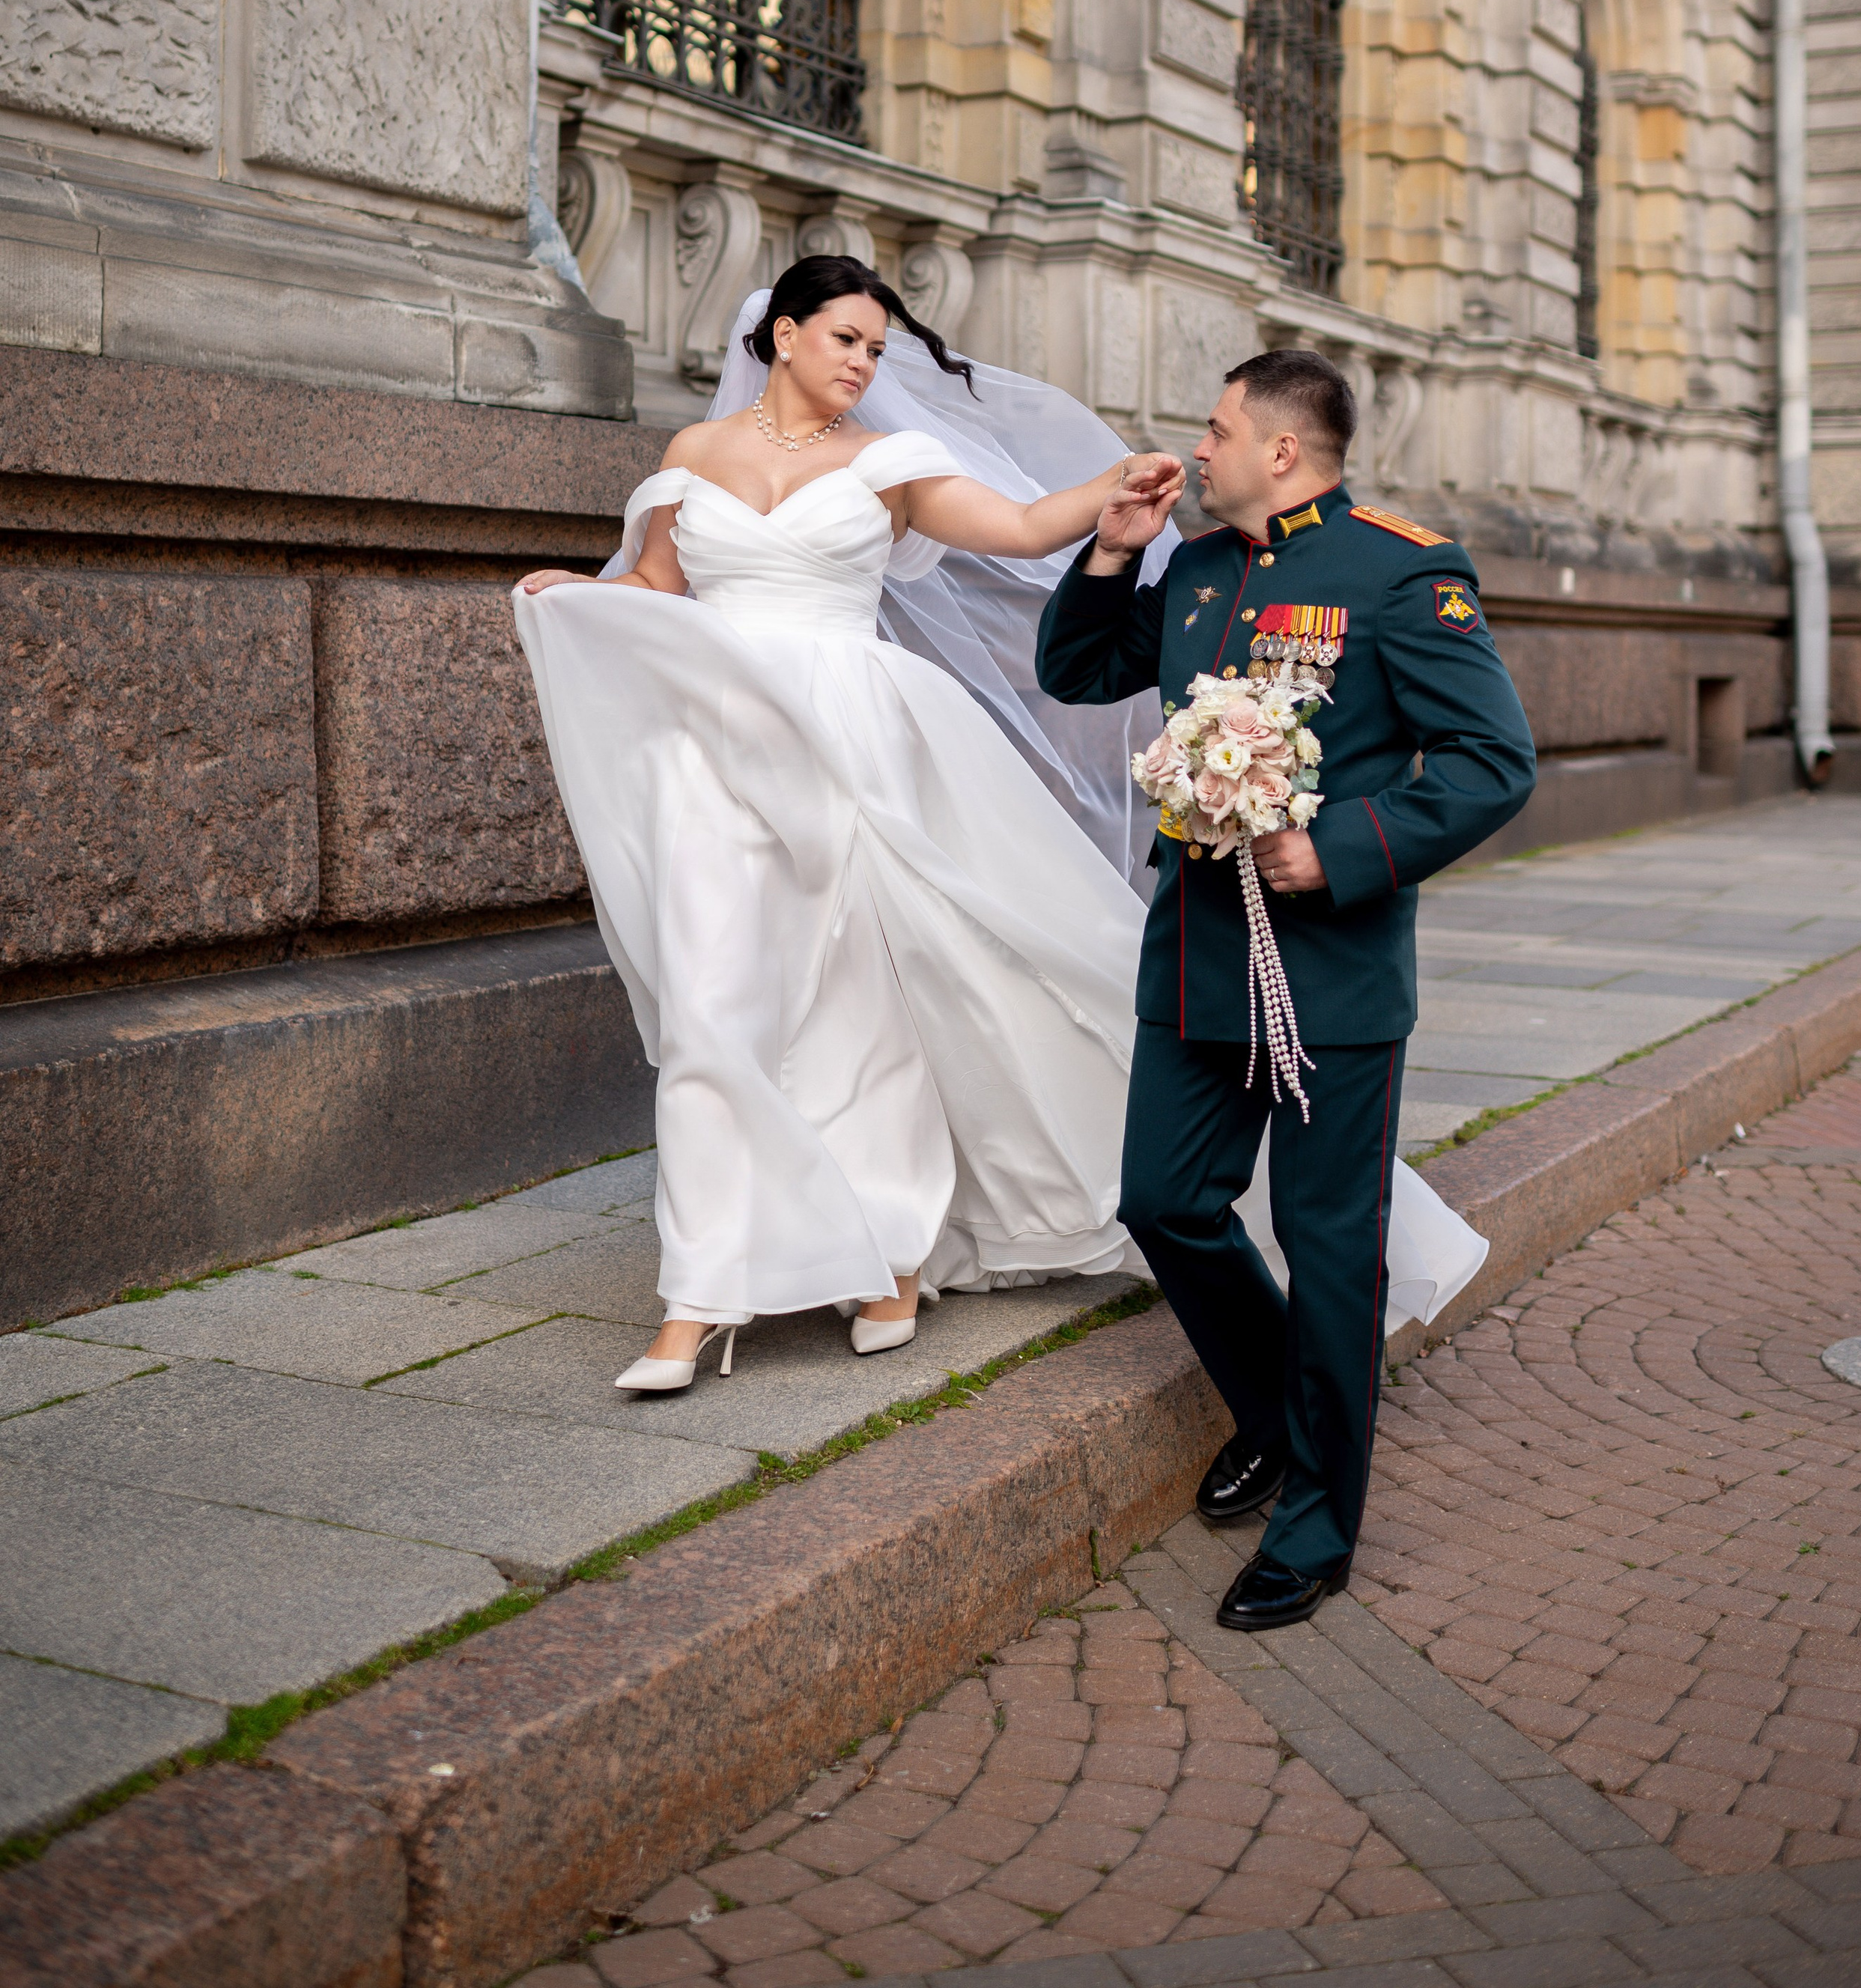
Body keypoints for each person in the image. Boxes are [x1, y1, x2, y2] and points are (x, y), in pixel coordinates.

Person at [513, 256, 1185, 1392]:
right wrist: (569, 590)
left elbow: (1021, 528)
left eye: (877, 349)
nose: (864, 365)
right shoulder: (693, 457)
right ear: (781, 337)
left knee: (863, 1004)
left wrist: (1109, 496)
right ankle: (698, 1299)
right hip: (714, 751)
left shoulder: (890, 464)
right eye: (846, 340)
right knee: (712, 1010)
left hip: (854, 743)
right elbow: (657, 589)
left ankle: (888, 1258)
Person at [1035, 347, 1537, 1632]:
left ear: (1281, 451)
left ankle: (1316, 1527)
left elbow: (1491, 762)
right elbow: (1078, 673)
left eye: (1214, 432)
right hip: (1199, 956)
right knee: (1164, 1199)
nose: (1193, 450)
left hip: (1331, 970)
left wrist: (1343, 849)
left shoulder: (1397, 566)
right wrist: (1110, 551)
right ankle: (1276, 1411)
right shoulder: (1194, 565)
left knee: (1328, 1255)